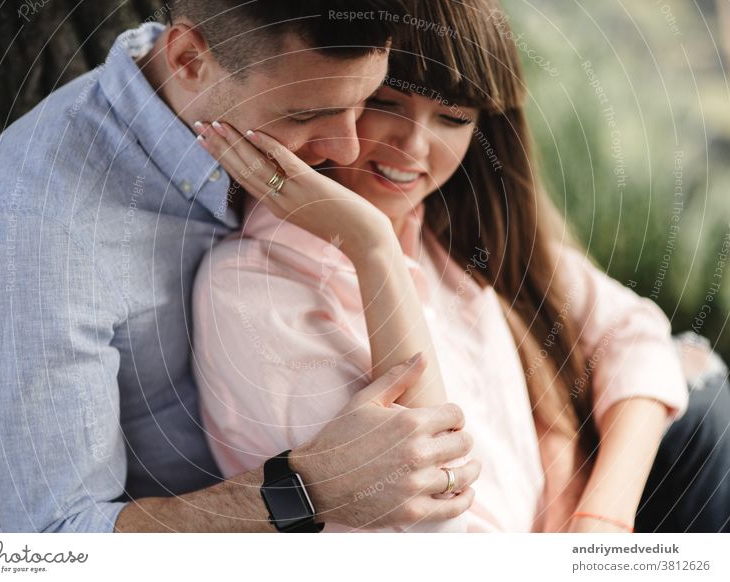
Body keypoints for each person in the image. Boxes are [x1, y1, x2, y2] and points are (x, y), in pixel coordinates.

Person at [0, 1, 479, 532]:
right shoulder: (29, 237)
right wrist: (311, 487)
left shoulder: (245, 104)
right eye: (306, 114)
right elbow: (57, 542)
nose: (349, 150)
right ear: (189, 59)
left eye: (367, 99)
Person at [192, 0, 730, 532]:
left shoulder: (443, 232)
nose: (414, 147)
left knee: (707, 403)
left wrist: (599, 518)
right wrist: (372, 250)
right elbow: (434, 532)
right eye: (386, 104)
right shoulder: (252, 290)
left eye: (452, 118)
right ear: (340, 94)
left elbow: (634, 331)